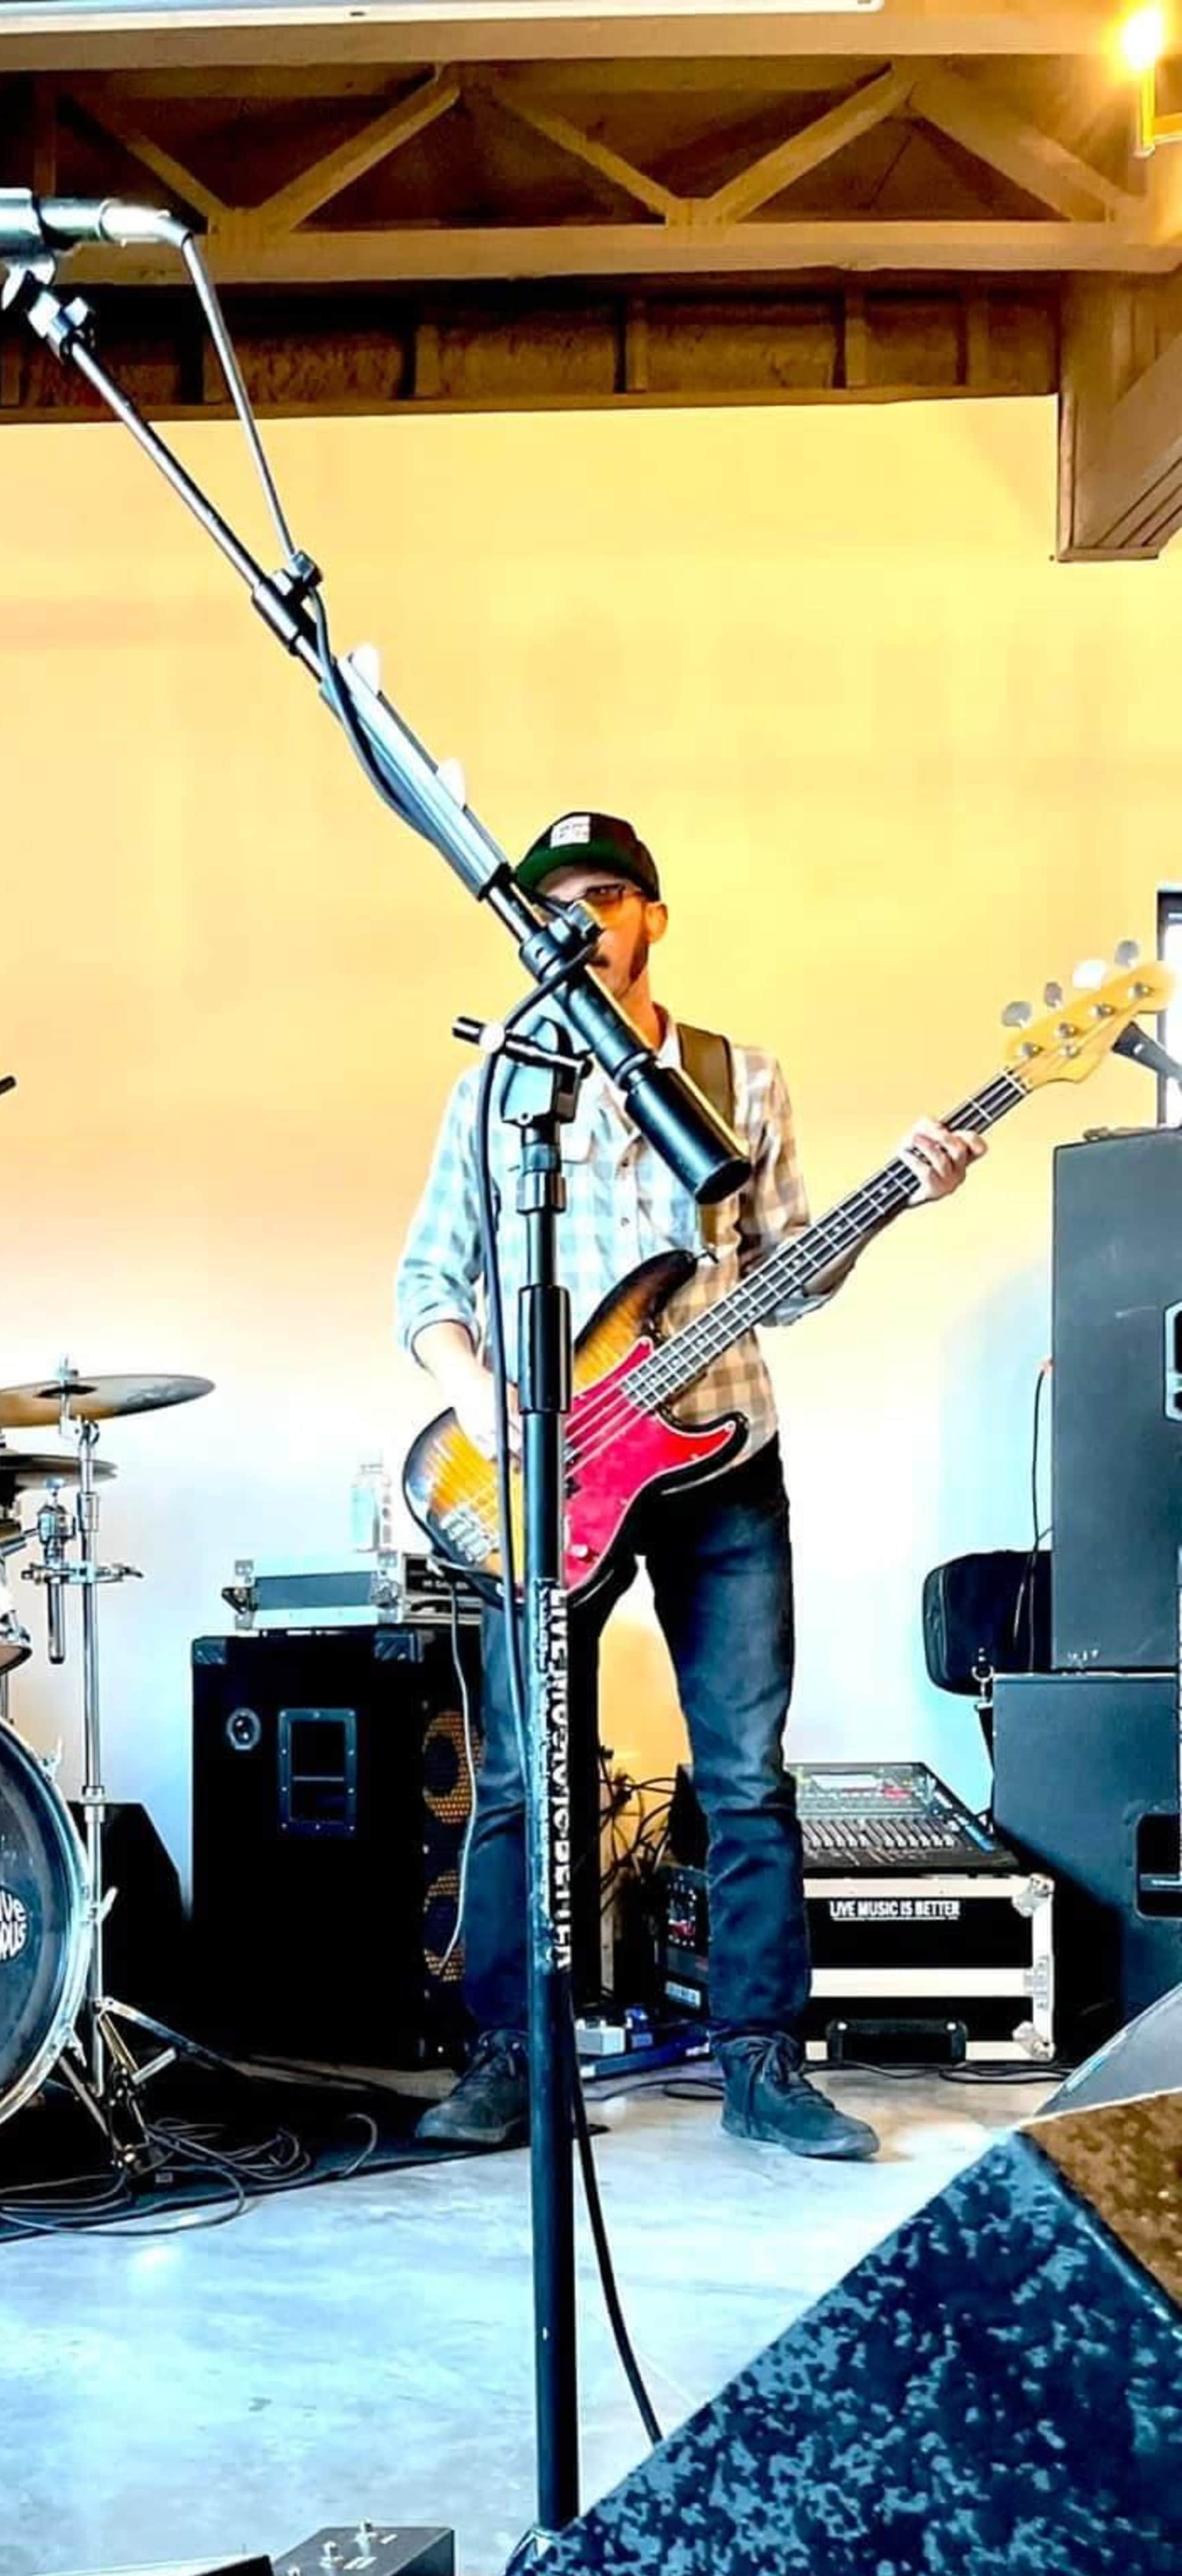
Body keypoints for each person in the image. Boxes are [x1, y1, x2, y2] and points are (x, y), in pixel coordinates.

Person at [394, 810, 981, 2164]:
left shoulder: (739, 1075)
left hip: (726, 1458)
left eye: (611, 894)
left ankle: (763, 2063)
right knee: (517, 1783)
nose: (587, 918)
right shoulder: (501, 1083)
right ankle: (505, 2059)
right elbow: (428, 1283)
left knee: (745, 1775)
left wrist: (899, 1197)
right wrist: (505, 1413)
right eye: (564, 901)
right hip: (549, 1477)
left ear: (655, 914)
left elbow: (795, 1266)